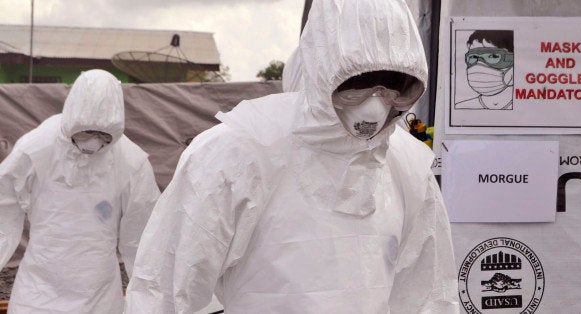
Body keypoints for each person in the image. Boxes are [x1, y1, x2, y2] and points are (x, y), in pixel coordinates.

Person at [125, 0, 458, 313]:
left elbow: (428, 292)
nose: (375, 102)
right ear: (323, 66)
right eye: (359, 81)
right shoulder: (239, 152)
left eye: (393, 85)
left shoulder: (406, 165)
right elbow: (165, 289)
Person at [0, 69, 160, 313]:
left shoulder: (131, 162)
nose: (94, 142)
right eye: (85, 132)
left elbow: (143, 237)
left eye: (104, 136)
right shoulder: (37, 147)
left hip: (97, 290)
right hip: (39, 286)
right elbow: (3, 206)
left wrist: (149, 301)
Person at [455, 30, 515, 110]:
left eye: (493, 56)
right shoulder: (462, 108)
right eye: (473, 57)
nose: (479, 65)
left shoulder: (526, 109)